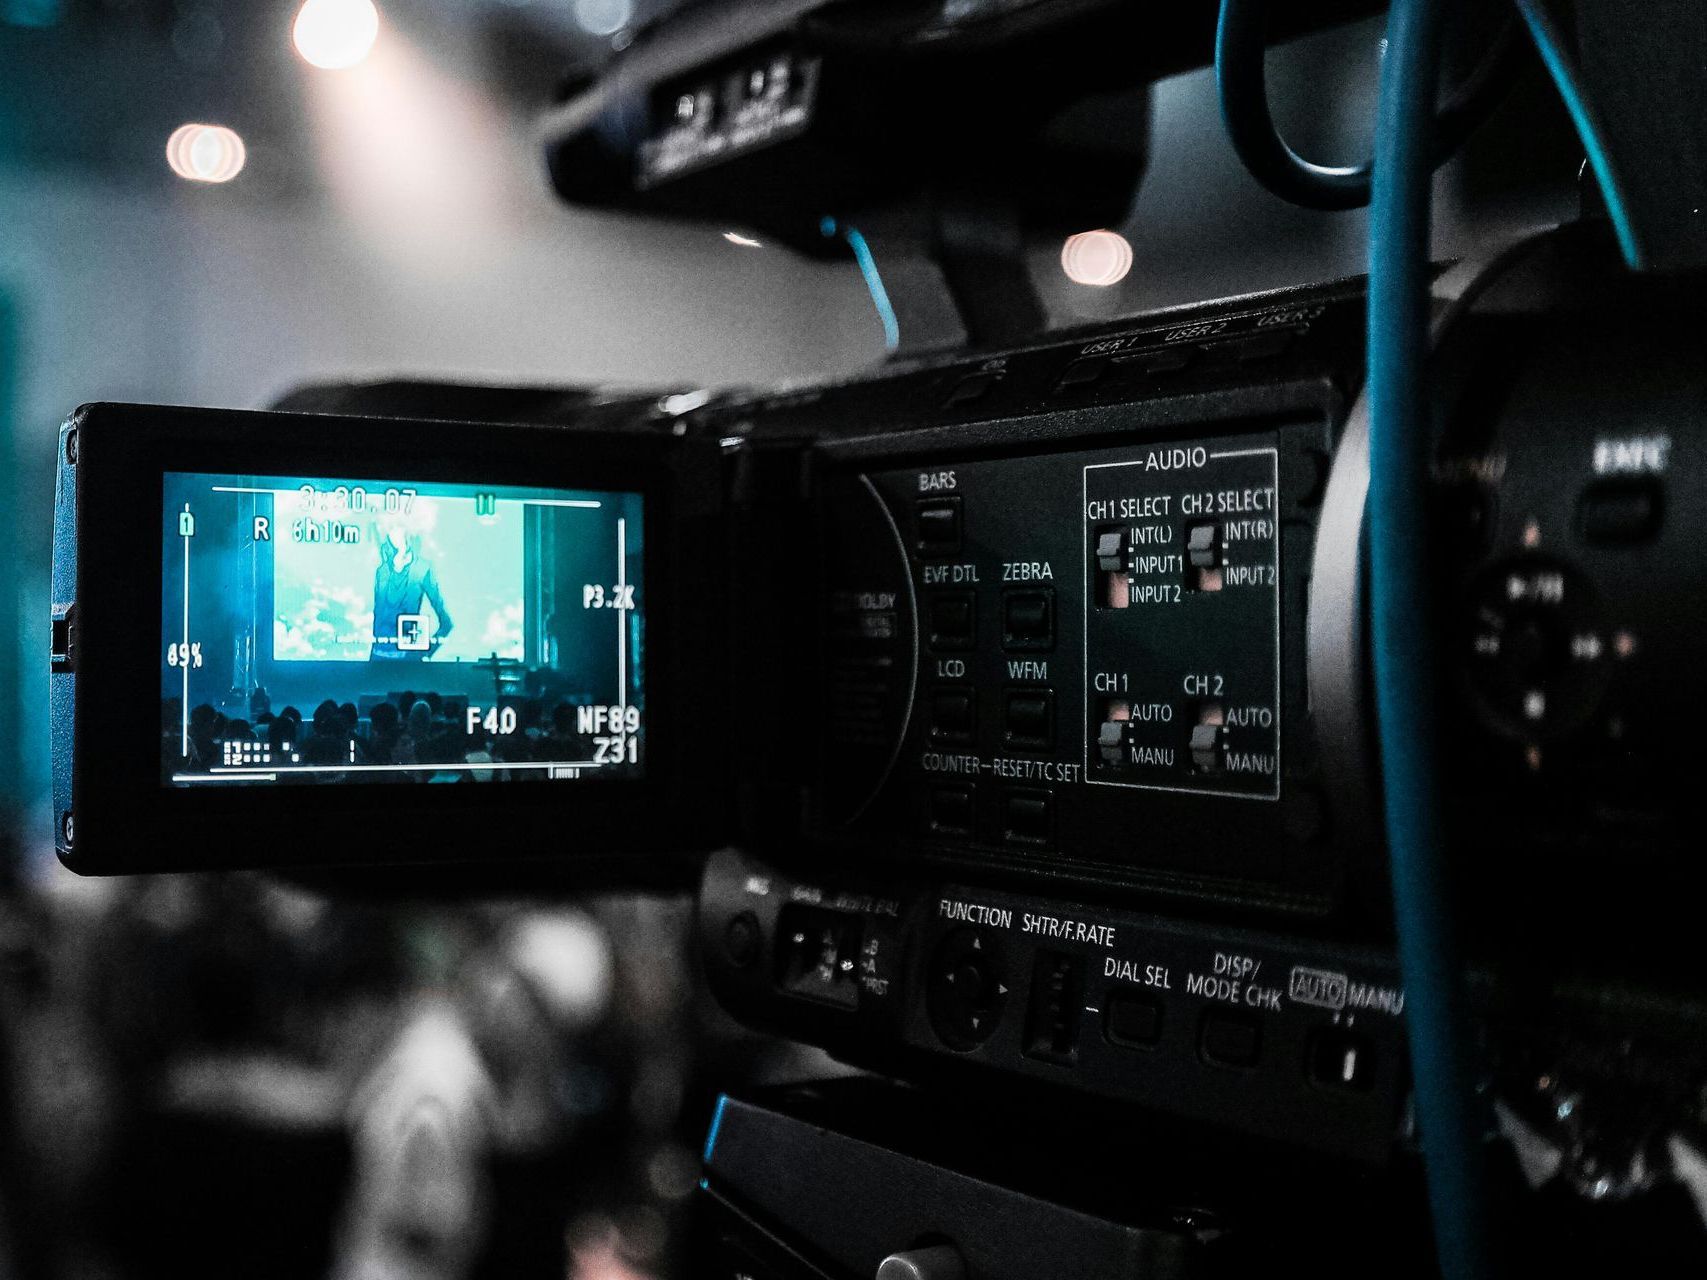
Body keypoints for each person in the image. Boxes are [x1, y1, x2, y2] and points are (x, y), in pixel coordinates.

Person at [370, 525, 453, 663]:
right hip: (378, 658)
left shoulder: (421, 569)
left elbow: (446, 623)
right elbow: (385, 608)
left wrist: (424, 653)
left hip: (408, 662)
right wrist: (397, 568)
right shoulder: (383, 572)